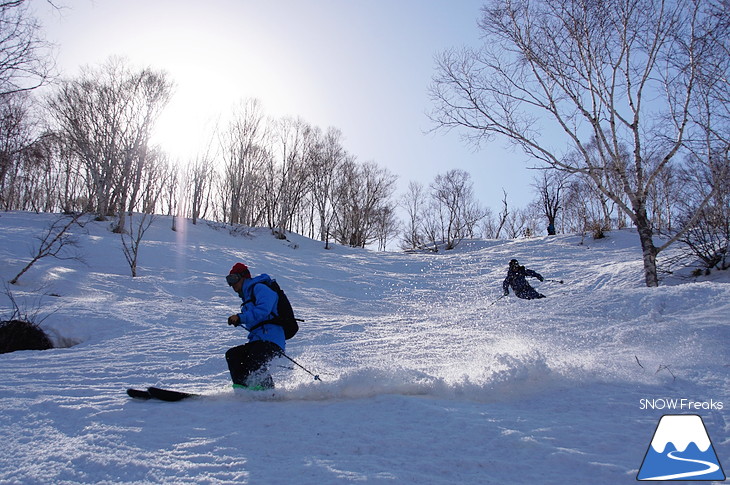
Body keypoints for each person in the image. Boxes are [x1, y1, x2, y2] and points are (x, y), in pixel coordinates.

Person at [225, 262, 284, 390]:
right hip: (257, 341)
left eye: (234, 279)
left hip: (271, 339)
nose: (232, 284)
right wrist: (239, 320)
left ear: (244, 277)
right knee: (233, 355)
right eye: (229, 280)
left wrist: (241, 317)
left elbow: (264, 310)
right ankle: (243, 389)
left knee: (255, 357)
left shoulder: (260, 288)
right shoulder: (246, 299)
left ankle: (267, 390)